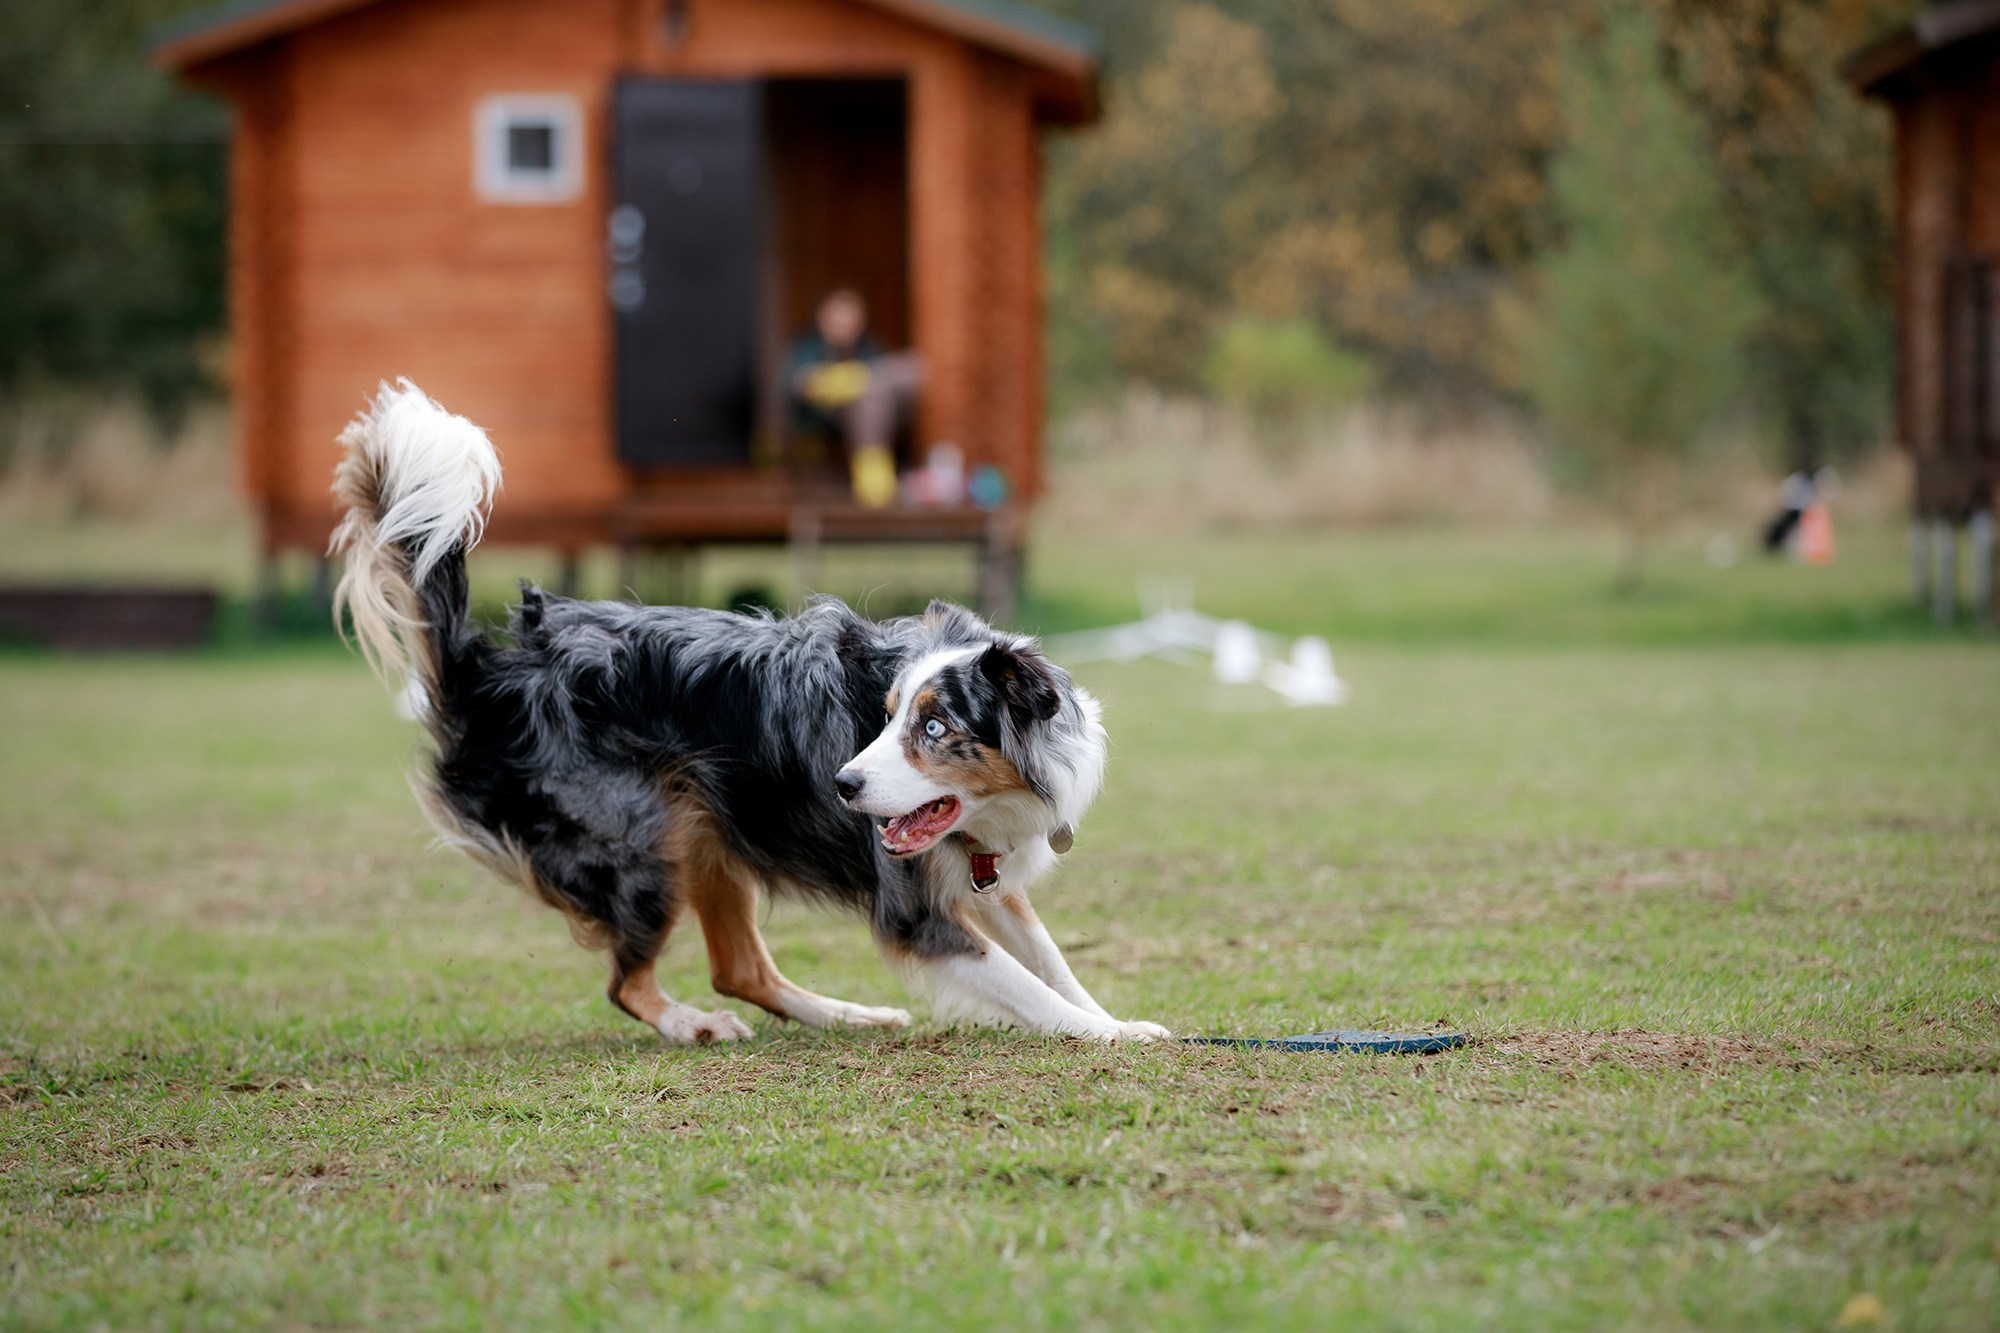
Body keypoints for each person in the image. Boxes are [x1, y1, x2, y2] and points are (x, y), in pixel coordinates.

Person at [787, 289, 922, 507]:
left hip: (870, 413)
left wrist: (861, 382)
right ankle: (872, 471)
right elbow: (797, 383)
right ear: (823, 318)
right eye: (838, 316)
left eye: (851, 317)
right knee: (877, 384)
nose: (845, 323)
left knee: (904, 373)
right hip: (827, 419)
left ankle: (872, 471)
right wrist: (837, 383)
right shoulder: (807, 347)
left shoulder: (869, 346)